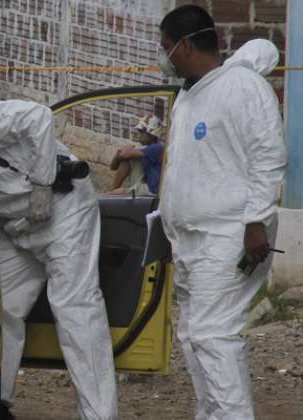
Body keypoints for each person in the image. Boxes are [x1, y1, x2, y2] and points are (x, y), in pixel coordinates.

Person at [157, 5, 287, 419]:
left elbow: (268, 158)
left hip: (229, 236)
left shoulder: (243, 87)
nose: (164, 57)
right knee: (194, 336)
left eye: (166, 48)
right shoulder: (191, 94)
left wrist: (255, 224)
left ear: (187, 45)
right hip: (191, 236)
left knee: (214, 335)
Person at [0, 99, 117, 420]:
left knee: (76, 308)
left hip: (63, 211)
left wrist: (41, 187)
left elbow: (39, 117)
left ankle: (99, 415)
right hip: (18, 226)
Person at [108, 114, 164, 195]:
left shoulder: (156, 147)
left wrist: (125, 150)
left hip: (151, 190)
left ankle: (110, 195)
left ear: (151, 134)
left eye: (142, 132)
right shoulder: (144, 149)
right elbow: (113, 167)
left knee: (118, 193)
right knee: (127, 160)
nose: (139, 135)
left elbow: (124, 154)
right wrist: (119, 153)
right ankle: (111, 194)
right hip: (145, 183)